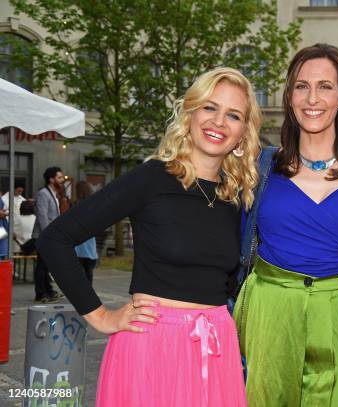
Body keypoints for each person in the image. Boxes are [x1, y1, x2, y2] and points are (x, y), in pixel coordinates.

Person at [37, 67, 261, 406]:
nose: (218, 122)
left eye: (233, 115)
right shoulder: (152, 178)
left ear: (243, 133)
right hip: (152, 346)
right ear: (190, 112)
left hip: (216, 348)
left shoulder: (236, 197)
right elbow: (55, 239)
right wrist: (100, 315)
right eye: (210, 107)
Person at [234, 43, 338, 406]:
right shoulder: (257, 167)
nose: (312, 98)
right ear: (289, 97)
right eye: (301, 86)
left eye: (325, 86)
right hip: (269, 308)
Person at [32, 166, 65, 303]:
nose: (62, 180)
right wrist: (48, 236)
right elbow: (42, 216)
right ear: (51, 179)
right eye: (59, 177)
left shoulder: (53, 193)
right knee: (42, 265)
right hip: (44, 235)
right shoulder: (43, 193)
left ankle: (49, 291)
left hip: (50, 235)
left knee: (47, 265)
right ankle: (41, 293)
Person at [73, 181, 98, 284]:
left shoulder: (77, 205)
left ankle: (81, 293)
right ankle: (89, 292)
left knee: (80, 272)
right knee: (88, 271)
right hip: (90, 240)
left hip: (79, 241)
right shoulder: (93, 205)